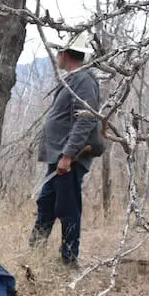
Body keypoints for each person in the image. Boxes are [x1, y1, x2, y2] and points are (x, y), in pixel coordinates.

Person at [29, 32, 100, 267]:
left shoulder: (84, 80)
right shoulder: (72, 79)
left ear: (66, 54)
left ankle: (69, 260)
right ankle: (34, 254)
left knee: (67, 208)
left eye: (59, 51)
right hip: (57, 157)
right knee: (46, 204)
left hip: (68, 158)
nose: (57, 56)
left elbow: (86, 119)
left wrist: (68, 156)